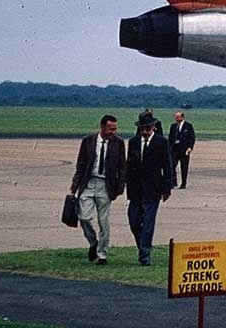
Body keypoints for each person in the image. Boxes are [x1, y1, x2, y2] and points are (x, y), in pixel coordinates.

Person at [70, 114, 125, 264]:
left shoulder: (119, 143)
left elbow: (122, 167)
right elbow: (80, 165)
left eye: (115, 129)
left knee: (103, 221)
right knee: (84, 217)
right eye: (110, 129)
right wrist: (74, 187)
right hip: (88, 183)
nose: (113, 132)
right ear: (102, 127)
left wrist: (119, 188)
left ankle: (102, 254)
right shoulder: (88, 141)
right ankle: (94, 243)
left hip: (105, 186)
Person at [125, 110, 172, 266]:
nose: (144, 132)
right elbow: (129, 165)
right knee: (133, 220)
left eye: (147, 129)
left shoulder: (161, 142)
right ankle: (142, 246)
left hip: (153, 189)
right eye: (142, 129)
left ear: (153, 127)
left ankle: (145, 255)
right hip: (135, 189)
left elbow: (167, 165)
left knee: (148, 222)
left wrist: (167, 188)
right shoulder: (133, 142)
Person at [168, 111, 196, 189]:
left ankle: (183, 183)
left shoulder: (188, 126)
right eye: (175, 117)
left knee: (184, 167)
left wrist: (190, 147)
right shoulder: (173, 126)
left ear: (182, 117)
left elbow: (192, 137)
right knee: (172, 165)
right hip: (174, 149)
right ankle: (173, 182)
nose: (176, 119)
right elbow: (170, 138)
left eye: (178, 117)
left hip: (184, 150)